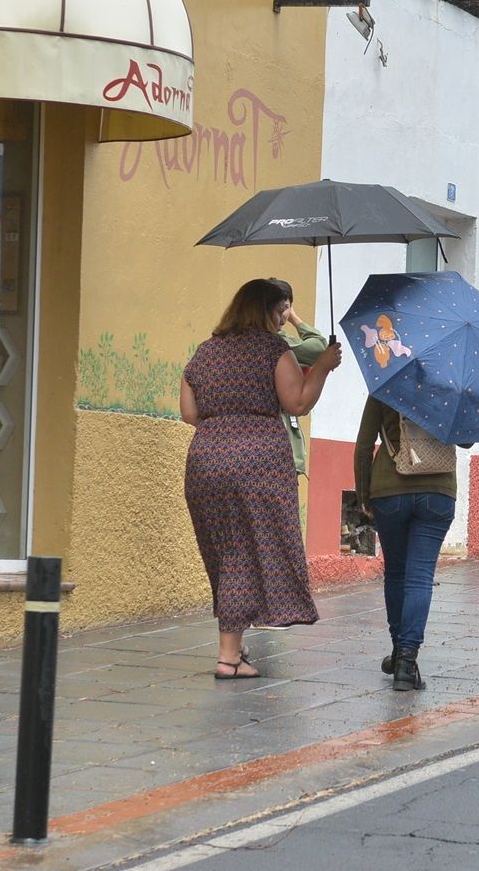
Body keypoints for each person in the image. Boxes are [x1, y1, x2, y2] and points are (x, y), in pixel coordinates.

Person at [182, 278, 343, 679]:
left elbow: (189, 413)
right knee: (249, 552)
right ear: (266, 311)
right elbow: (297, 401)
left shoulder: (204, 353)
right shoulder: (273, 349)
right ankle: (227, 657)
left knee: (225, 552)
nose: (282, 320)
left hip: (205, 461)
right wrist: (321, 367)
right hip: (257, 462)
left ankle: (234, 647)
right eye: (279, 312)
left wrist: (223, 426)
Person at [354, 397, 457, 691]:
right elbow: (465, 441)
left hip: (390, 490)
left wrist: (363, 495)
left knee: (397, 574)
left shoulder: (386, 381)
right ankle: (406, 662)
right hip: (437, 491)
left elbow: (363, 446)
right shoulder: (448, 382)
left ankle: (400, 652)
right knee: (420, 577)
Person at [267, 278, 329, 529]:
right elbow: (319, 347)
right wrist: (295, 318)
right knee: (280, 527)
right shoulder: (279, 343)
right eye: (281, 308)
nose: (283, 315)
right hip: (279, 452)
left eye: (287, 308)